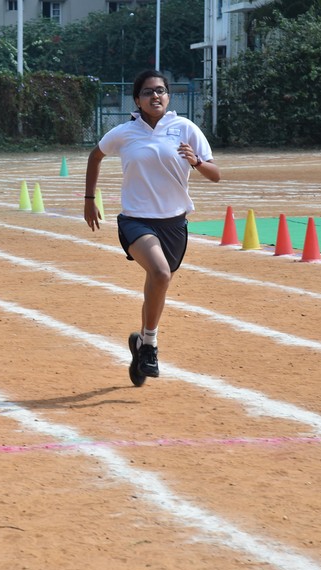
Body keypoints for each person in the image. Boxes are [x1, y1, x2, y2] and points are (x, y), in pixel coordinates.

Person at [84, 69, 221, 387]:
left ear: (168, 97)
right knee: (160, 273)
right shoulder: (125, 132)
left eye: (160, 90)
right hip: (136, 220)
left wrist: (197, 162)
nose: (155, 96)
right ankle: (152, 346)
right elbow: (95, 156)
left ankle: (141, 344)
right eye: (148, 92)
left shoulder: (185, 128)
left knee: (158, 281)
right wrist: (89, 199)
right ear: (137, 100)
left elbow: (216, 175)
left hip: (174, 223)